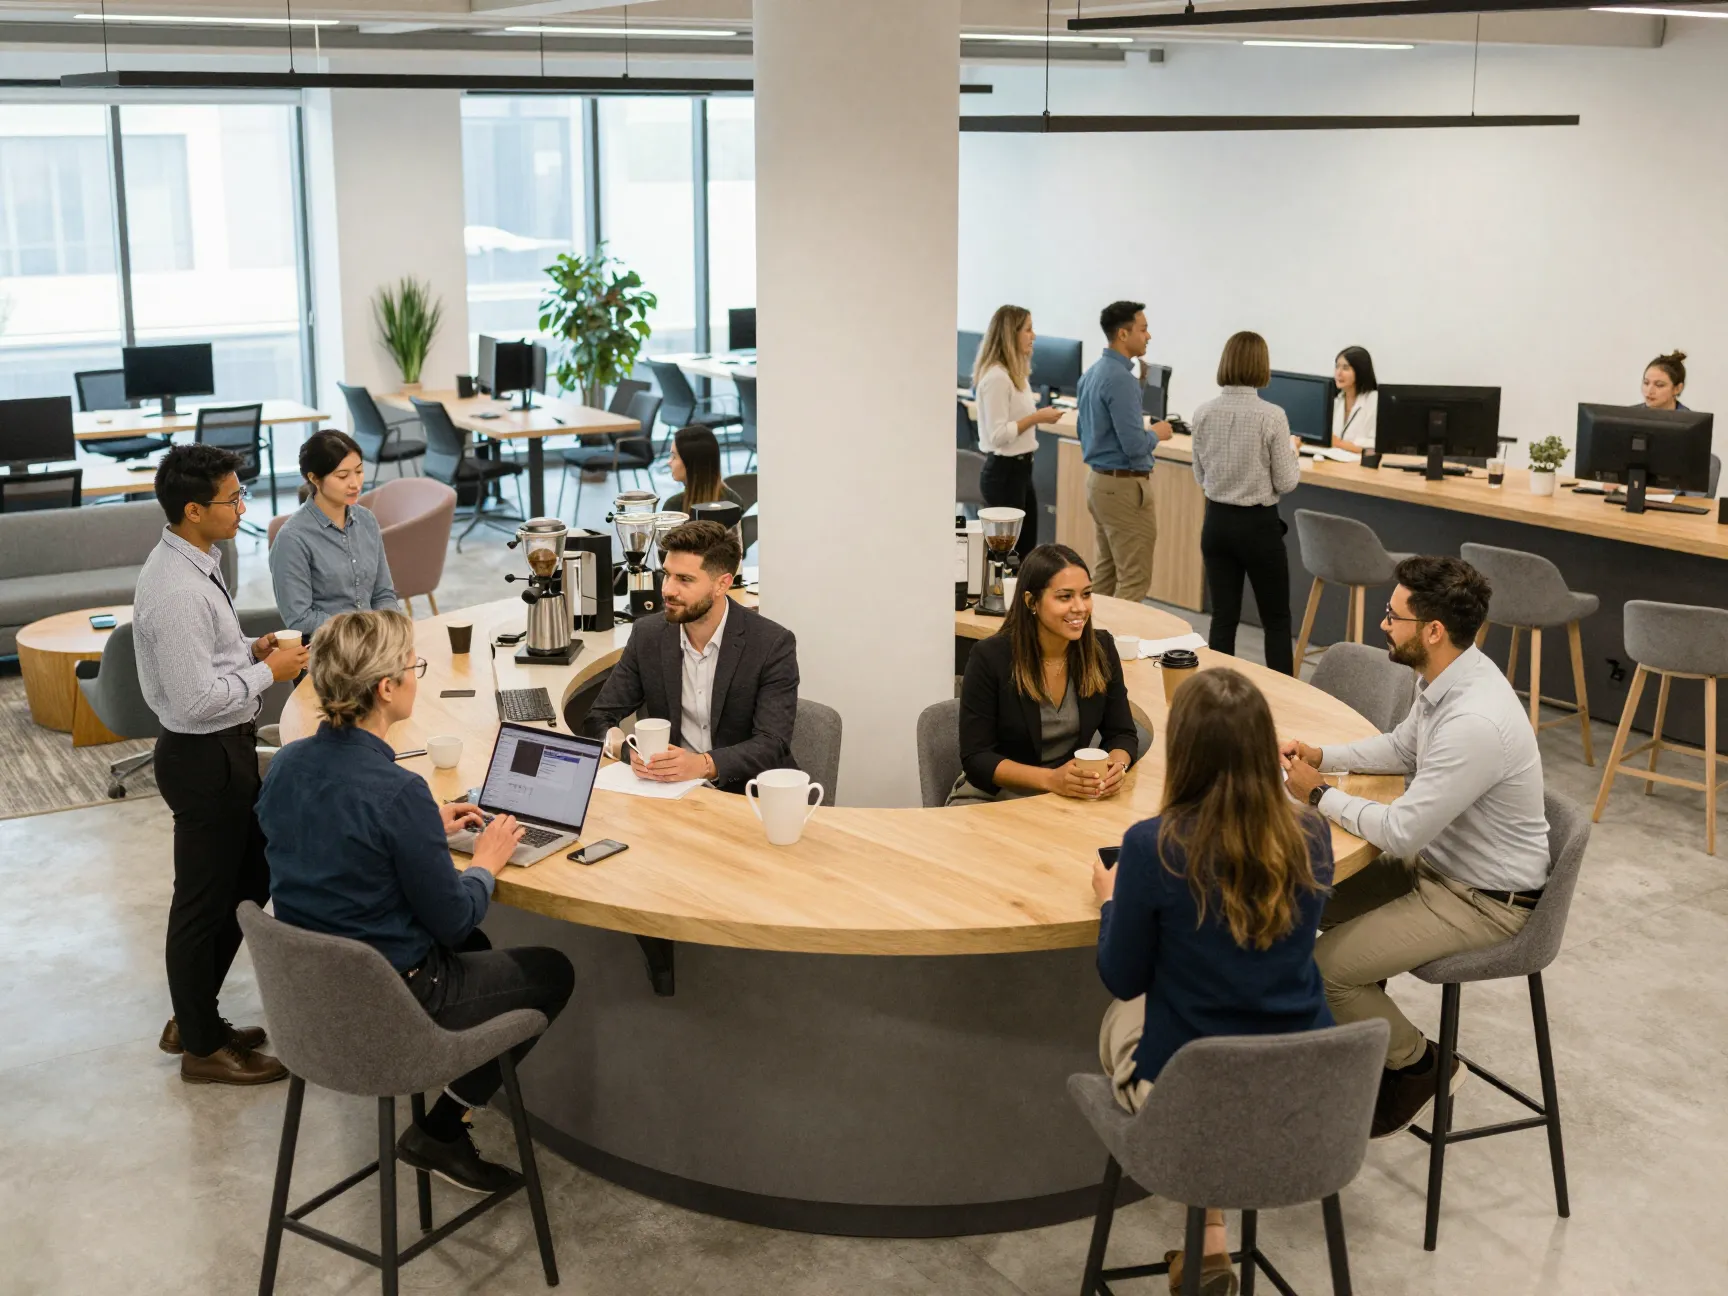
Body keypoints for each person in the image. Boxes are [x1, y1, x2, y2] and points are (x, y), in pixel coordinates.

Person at [258, 609, 574, 1192]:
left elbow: (334, 842)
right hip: (396, 995)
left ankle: (443, 1127)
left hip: (309, 999)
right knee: (551, 971)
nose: (416, 678)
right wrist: (485, 861)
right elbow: (454, 921)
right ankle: (443, 1128)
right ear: (385, 689)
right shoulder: (398, 791)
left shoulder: (288, 765)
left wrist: (423, 826)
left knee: (481, 948)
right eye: (413, 668)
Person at [1281, 555, 1550, 1138]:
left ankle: (1420, 1064)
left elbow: (1402, 831)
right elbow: (1403, 750)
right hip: (1437, 868)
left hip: (1482, 900)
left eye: (1392, 615)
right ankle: (1356, 1037)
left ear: (1433, 630)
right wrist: (1323, 755)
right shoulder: (1448, 678)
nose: (1383, 624)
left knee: (1323, 970)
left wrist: (1320, 793)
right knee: (1293, 902)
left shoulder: (1474, 720)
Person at [1093, 666, 1333, 1295]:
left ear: (1185, 752)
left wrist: (1112, 903)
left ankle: (1208, 1235)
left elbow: (1121, 976)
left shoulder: (1154, 847)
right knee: (1225, 1022)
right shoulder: (1311, 833)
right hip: (1307, 1087)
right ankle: (1211, 1238)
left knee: (1132, 1018)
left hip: (1191, 1093)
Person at [133, 444, 309, 1085]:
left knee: (251, 876)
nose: (243, 507)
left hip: (224, 750)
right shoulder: (175, 589)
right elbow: (193, 698)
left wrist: (248, 649)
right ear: (192, 509)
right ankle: (201, 1047)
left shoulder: (197, 559)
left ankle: (193, 1015)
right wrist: (271, 670)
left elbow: (210, 659)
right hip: (201, 756)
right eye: (232, 499)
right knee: (203, 903)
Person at [584, 520, 798, 793]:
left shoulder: (771, 644)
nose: (668, 590)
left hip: (748, 794)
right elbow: (598, 717)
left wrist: (703, 764)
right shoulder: (648, 635)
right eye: (667, 574)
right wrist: (624, 748)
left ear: (722, 585)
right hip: (670, 792)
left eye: (684, 580)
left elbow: (772, 743)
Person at [950, 543, 1138, 804]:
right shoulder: (990, 657)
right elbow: (977, 758)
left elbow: (1122, 733)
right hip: (993, 797)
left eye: (1086, 594)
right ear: (1031, 601)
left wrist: (1117, 767)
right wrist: (1051, 780)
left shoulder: (1100, 649)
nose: (1080, 607)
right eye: (1065, 597)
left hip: (1065, 796)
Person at [1189, 331, 1300, 676]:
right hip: (1258, 527)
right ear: (1261, 366)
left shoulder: (1203, 413)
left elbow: (1200, 475)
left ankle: (1218, 694)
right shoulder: (1272, 416)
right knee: (1276, 621)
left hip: (1217, 523)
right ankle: (1284, 699)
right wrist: (1293, 453)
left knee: (1223, 617)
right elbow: (1286, 481)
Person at [1076, 300, 1175, 603]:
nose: (1149, 336)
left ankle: (1093, 647)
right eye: (1143, 329)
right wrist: (1156, 434)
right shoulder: (1121, 380)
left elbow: (1086, 431)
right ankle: (1117, 648)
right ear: (1122, 334)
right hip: (1124, 488)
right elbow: (1134, 446)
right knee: (1134, 581)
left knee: (1105, 575)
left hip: (1100, 483)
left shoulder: (1093, 373)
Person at [269, 429, 399, 638]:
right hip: (327, 650)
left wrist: (391, 628)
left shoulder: (366, 520)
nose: (355, 483)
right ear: (314, 478)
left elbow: (383, 593)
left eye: (359, 471)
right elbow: (299, 618)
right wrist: (363, 629)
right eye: (342, 476)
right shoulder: (292, 538)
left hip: (374, 644)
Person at [973, 304, 1066, 562]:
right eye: (1028, 329)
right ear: (1010, 334)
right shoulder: (997, 378)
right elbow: (997, 435)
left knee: (1025, 551)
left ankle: (1019, 602)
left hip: (1022, 471)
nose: (1033, 336)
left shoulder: (1017, 377)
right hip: (1004, 474)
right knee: (1009, 558)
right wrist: (1037, 418)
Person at [662, 424, 746, 516]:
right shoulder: (734, 501)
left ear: (692, 464)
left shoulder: (674, 507)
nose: (669, 462)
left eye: (674, 456)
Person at [1331, 345, 1380, 454]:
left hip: (1361, 466)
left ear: (1360, 371)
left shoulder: (1374, 401)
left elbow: (1374, 446)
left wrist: (1340, 443)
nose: (1339, 373)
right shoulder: (1337, 401)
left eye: (1345, 368)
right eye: (1337, 367)